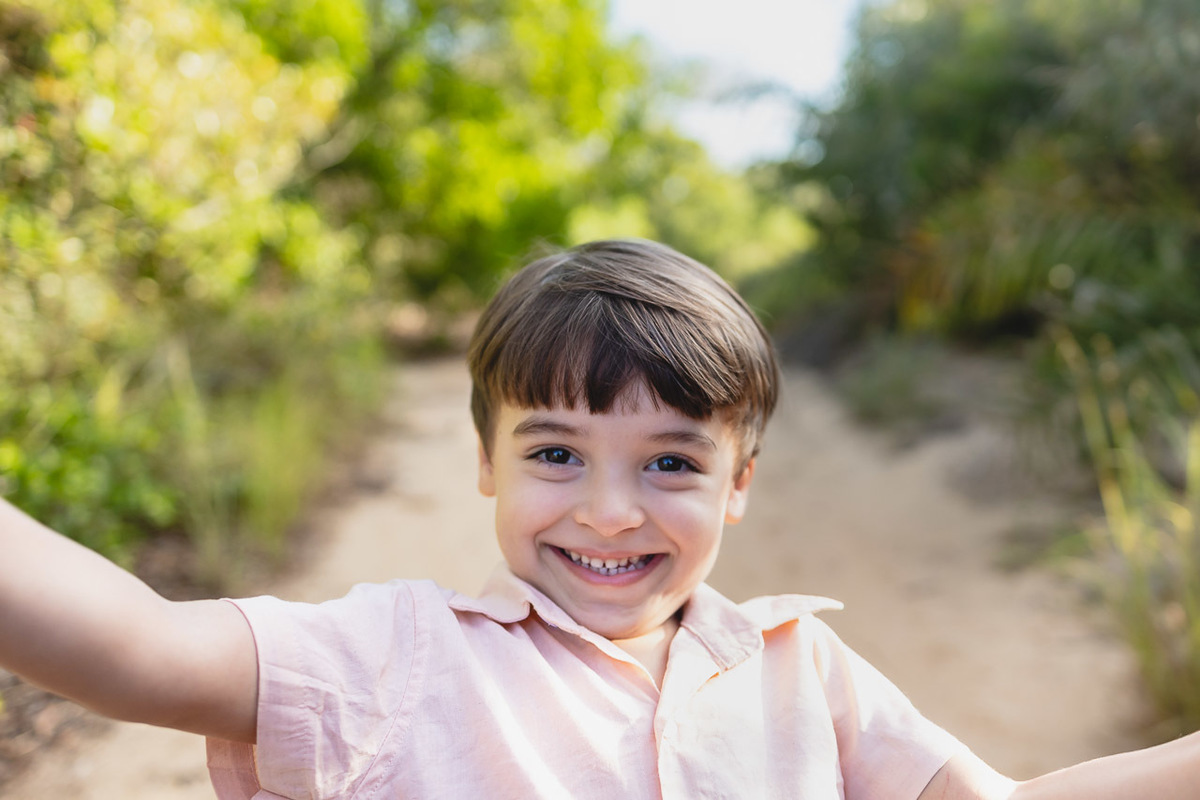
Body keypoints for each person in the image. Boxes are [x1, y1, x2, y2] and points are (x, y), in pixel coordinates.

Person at [0, 239, 1197, 799]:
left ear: (739, 482)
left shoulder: (799, 668)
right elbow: (134, 648)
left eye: (672, 459)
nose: (610, 508)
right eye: (557, 451)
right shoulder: (399, 656)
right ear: (485, 462)